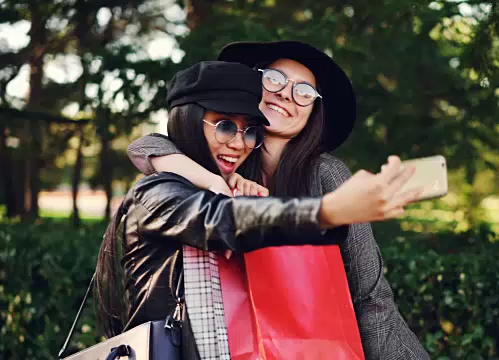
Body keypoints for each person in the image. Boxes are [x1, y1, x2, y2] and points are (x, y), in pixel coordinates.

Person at [96, 60, 421, 360]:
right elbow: (217, 217)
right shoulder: (170, 187)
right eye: (275, 79)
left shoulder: (318, 173)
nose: (237, 143)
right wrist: (327, 211)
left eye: (304, 91)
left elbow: (370, 298)